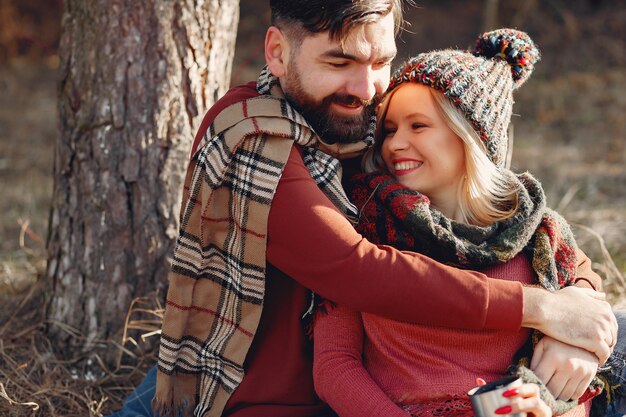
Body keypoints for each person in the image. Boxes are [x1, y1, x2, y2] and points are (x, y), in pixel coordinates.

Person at [108, 2, 618, 417]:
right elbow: (359, 270)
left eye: (380, 63)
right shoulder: (254, 138)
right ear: (277, 52)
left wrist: (577, 329)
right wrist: (544, 310)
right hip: (282, 396)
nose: (367, 88)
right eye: (339, 62)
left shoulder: (360, 128)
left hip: (430, 380)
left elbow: (535, 232)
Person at [312, 29, 615, 417]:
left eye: (417, 126)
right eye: (389, 130)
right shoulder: (364, 225)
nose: (395, 144)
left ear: (469, 136)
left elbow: (576, 361)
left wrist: (545, 401)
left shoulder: (537, 235)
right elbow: (335, 367)